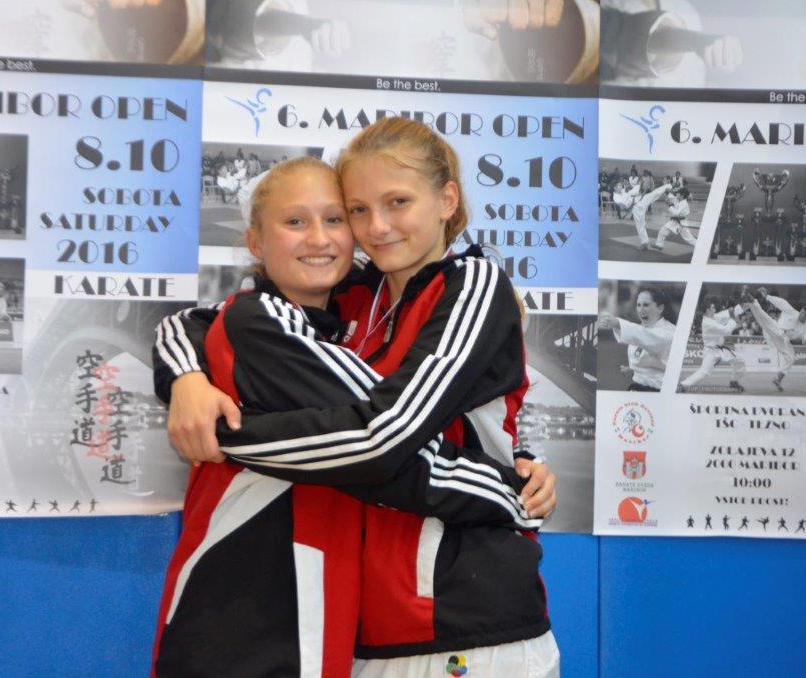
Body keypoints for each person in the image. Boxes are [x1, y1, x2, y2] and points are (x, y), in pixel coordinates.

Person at [156, 118, 560, 676]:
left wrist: (228, 439)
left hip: (468, 619)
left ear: (447, 200)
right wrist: (186, 377)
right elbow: (209, 320)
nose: (378, 227)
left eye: (398, 202)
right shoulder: (353, 298)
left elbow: (382, 441)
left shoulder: (472, 285)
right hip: (366, 631)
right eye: (359, 210)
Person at [599, 287, 676, 392]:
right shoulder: (642, 329)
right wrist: (635, 370)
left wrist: (617, 323)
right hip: (637, 388)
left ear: (660, 308)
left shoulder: (668, 332)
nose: (641, 309)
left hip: (657, 392)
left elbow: (647, 338)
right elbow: (651, 361)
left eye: (646, 305)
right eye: (638, 305)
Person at [741, 286, 806, 392]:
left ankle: (778, 379)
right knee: (761, 315)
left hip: (783, 340)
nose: (800, 314)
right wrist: (767, 296)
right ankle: (748, 295)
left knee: (791, 357)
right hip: (776, 328)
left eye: (803, 314)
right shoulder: (792, 312)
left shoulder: (805, 329)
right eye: (801, 311)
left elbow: (805, 340)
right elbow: (781, 302)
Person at [677, 299, 745, 393]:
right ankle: (683, 385)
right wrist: (732, 319)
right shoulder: (707, 323)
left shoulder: (714, 317)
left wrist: (745, 304)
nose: (714, 309)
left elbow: (728, 313)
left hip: (721, 350)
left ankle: (734, 381)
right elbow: (726, 331)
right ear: (707, 310)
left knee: (740, 360)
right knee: (704, 371)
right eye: (712, 307)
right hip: (711, 351)